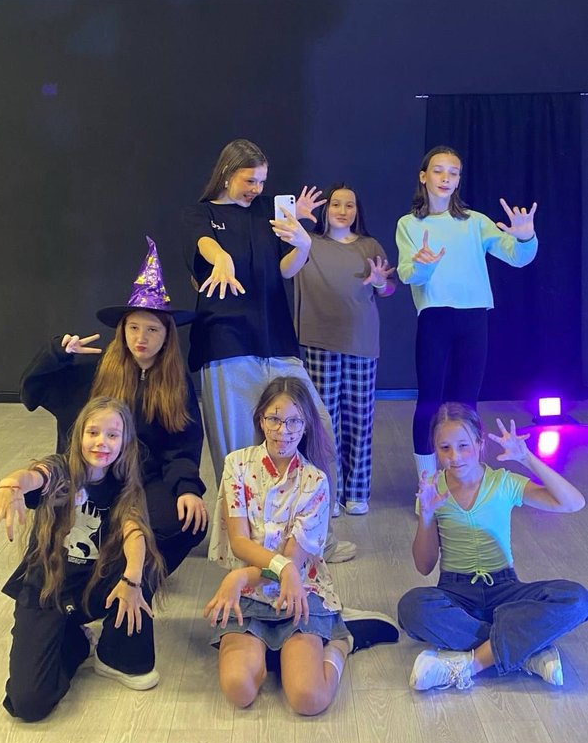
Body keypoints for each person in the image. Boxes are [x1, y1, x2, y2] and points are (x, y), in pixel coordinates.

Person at [182, 138, 354, 562]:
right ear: (227, 174)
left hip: (278, 342)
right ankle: (240, 549)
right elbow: (203, 244)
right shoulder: (202, 214)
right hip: (225, 343)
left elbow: (284, 271)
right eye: (249, 180)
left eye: (261, 181)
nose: (256, 189)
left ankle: (314, 537)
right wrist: (221, 259)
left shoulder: (268, 214)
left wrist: (303, 245)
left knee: (318, 429)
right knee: (238, 452)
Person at [204, 377, 398, 714]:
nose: (283, 430)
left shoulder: (315, 481)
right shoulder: (237, 465)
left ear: (306, 425)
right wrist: (254, 576)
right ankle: (277, 654)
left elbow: (293, 564)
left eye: (294, 421)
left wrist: (241, 576)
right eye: (274, 419)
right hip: (250, 596)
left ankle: (340, 639)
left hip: (298, 591)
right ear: (260, 419)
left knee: (309, 699)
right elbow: (239, 543)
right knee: (238, 689)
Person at [20, 237, 207, 575]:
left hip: (144, 479)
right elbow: (32, 392)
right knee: (63, 515)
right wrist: (56, 356)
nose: (141, 338)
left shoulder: (176, 384)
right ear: (122, 330)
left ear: (167, 335)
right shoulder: (95, 371)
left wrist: (187, 489)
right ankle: (88, 567)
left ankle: (130, 574)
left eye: (152, 329)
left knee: (187, 521)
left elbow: (182, 446)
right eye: (133, 327)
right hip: (93, 475)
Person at [0, 396, 166, 722]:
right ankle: (76, 641)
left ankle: (119, 654)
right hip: (49, 587)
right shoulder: (61, 468)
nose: (102, 442)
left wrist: (132, 581)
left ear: (125, 441)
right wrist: (10, 486)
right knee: (28, 704)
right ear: (79, 434)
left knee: (146, 561)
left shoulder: (126, 484)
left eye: (113, 435)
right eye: (93, 432)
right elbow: (34, 476)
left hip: (94, 587)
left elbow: (135, 533)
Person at [397, 402, 588, 691]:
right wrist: (425, 516)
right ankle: (525, 649)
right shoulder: (432, 490)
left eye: (463, 446)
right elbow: (424, 566)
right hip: (456, 593)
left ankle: (472, 662)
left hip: (506, 589)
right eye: (445, 448)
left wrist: (527, 458)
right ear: (435, 450)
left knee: (577, 599)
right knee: (411, 608)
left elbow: (573, 503)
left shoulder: (503, 482)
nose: (454, 456)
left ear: (479, 442)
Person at [395, 146, 538, 478]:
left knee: (466, 403)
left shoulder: (476, 222)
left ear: (459, 180)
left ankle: (464, 477)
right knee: (430, 401)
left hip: (474, 318)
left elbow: (517, 257)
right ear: (423, 176)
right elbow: (406, 274)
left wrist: (526, 237)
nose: (445, 178)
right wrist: (423, 265)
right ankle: (427, 482)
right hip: (434, 318)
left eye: (453, 172)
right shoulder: (409, 224)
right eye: (438, 170)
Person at [294, 182, 396, 515]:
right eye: (336, 204)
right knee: (324, 421)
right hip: (319, 340)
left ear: (357, 211)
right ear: (325, 209)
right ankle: (328, 491)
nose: (342, 210)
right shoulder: (307, 242)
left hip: (361, 341)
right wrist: (297, 217)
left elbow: (388, 289)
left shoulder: (369, 245)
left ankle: (357, 492)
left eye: (349, 205)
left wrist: (380, 283)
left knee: (360, 420)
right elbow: (283, 248)